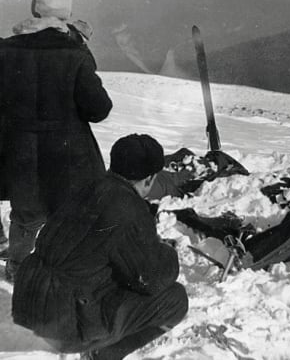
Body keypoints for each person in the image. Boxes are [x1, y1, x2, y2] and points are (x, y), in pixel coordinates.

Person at [12, 134, 189, 360]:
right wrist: (167, 252)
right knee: (175, 299)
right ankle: (104, 354)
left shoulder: (85, 186)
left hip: (28, 301)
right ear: (149, 179)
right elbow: (151, 280)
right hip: (64, 325)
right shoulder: (128, 207)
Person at [0, 0, 112, 280]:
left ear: (34, 7)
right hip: (67, 153)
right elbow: (99, 109)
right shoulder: (74, 52)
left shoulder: (4, 50)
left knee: (24, 215)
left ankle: (17, 267)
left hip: (19, 151)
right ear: (67, 11)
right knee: (68, 214)